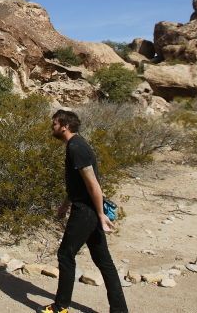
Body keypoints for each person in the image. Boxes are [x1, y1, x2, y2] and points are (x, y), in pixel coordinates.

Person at [39, 110, 129, 313]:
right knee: (103, 261)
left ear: (64, 126)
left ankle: (60, 307)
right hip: (86, 207)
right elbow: (78, 184)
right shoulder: (75, 145)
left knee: (65, 254)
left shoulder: (77, 148)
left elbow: (93, 185)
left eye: (54, 123)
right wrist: (65, 204)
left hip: (87, 211)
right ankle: (119, 310)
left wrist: (99, 214)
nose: (51, 127)